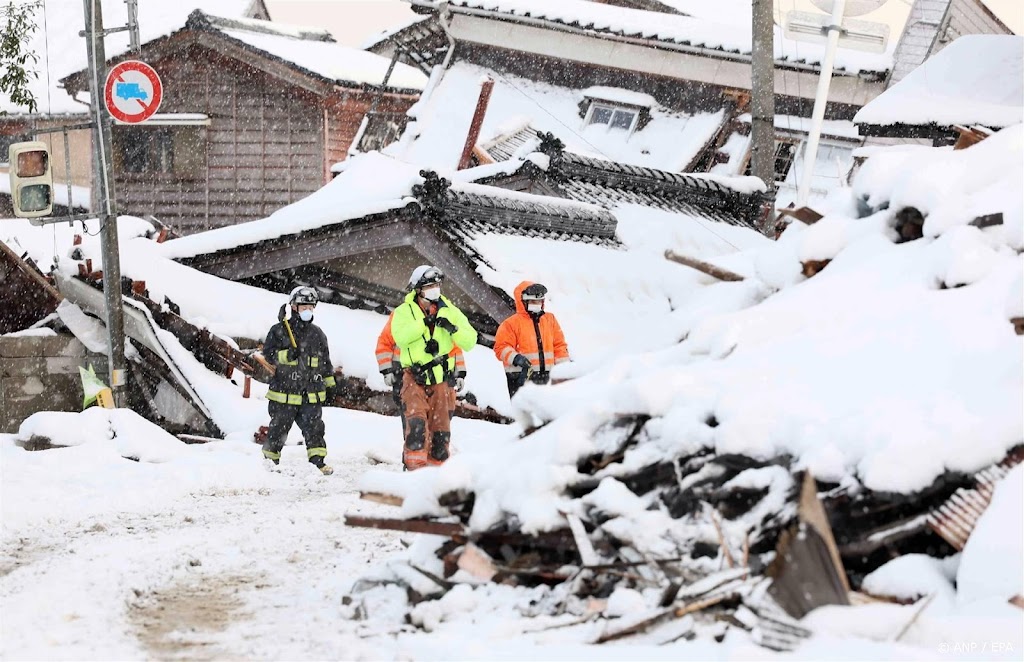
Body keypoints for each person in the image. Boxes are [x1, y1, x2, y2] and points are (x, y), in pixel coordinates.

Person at [391, 265, 476, 470]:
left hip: (442, 379)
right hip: (415, 377)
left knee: (440, 434)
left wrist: (452, 328)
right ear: (418, 289)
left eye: (437, 285)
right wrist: (424, 322)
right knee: (417, 428)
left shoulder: (450, 310)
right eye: (430, 285)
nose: (435, 289)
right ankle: (414, 471)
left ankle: (435, 474)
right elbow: (400, 338)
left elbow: (470, 340)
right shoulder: (404, 312)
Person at [262, 286, 337, 475]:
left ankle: (318, 463)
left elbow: (325, 363)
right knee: (278, 430)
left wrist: (331, 386)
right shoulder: (279, 330)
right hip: (284, 394)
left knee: (315, 429)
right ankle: (270, 464)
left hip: (310, 395)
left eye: (311, 307)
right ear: (294, 307)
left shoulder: (318, 334)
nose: (308, 311)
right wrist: (288, 355)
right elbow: (269, 355)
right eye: (304, 307)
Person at [493, 281, 571, 398]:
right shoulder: (510, 324)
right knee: (526, 414)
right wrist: (516, 358)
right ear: (523, 301)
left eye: (539, 301)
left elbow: (559, 346)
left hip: (548, 378)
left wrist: (564, 371)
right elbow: (501, 347)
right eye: (534, 301)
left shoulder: (550, 320)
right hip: (521, 378)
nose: (537, 304)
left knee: (549, 412)